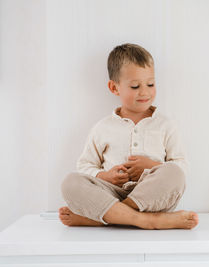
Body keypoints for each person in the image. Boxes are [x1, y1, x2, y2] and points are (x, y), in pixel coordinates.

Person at [58, 43, 198, 230]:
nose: (145, 92)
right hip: (110, 194)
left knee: (174, 174)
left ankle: (100, 218)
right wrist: (105, 176)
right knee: (71, 182)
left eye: (150, 84)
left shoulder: (165, 125)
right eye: (135, 86)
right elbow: (84, 166)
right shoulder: (103, 127)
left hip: (152, 198)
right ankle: (149, 221)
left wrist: (151, 167)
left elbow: (181, 167)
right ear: (114, 88)